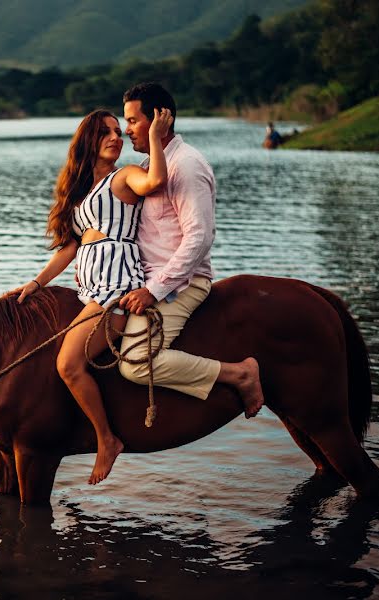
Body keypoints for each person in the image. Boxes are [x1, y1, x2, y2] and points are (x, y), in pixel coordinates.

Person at [16, 107, 174, 485]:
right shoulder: (80, 191)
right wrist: (36, 284)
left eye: (119, 131)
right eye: (106, 131)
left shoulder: (125, 177)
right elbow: (69, 248)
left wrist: (153, 137)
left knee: (69, 365)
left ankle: (107, 439)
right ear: (87, 139)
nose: (117, 138)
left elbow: (154, 181)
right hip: (90, 288)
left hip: (117, 287)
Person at [116, 82, 265, 419]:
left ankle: (239, 374)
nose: (127, 131)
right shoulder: (152, 166)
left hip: (180, 285)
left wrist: (153, 291)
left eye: (132, 121)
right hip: (150, 280)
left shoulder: (186, 164)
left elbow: (199, 237)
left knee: (137, 365)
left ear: (158, 120)